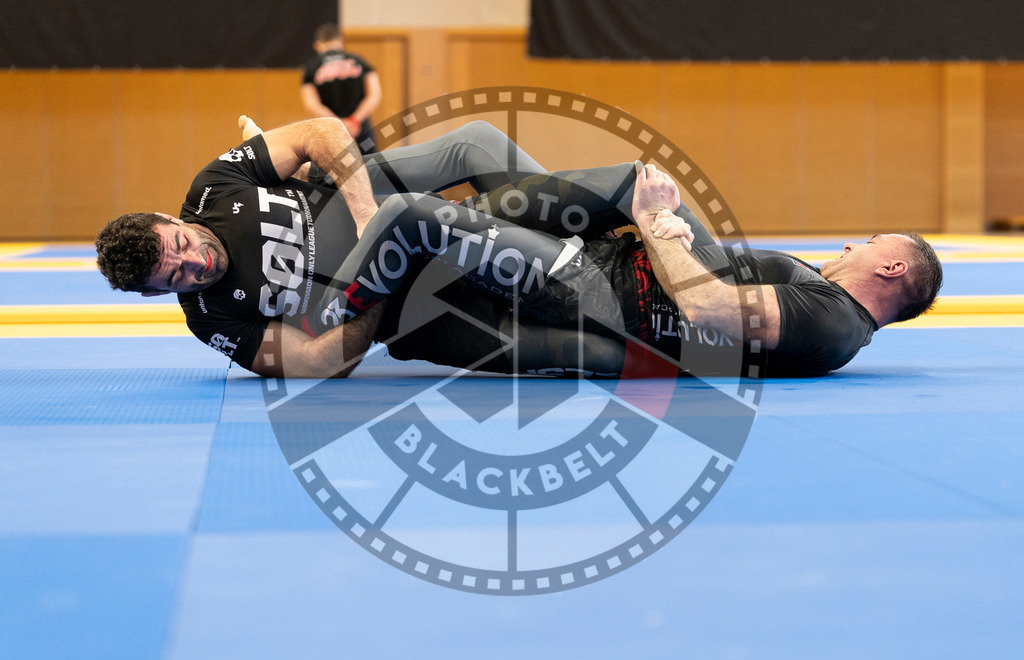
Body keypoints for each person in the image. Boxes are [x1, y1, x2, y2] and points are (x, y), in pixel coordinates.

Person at [95, 117, 942, 380]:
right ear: (162, 293)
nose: (192, 264)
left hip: (371, 204)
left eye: (181, 247)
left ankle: (521, 238)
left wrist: (361, 208)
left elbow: (320, 133)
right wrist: (369, 299)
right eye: (175, 277)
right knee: (575, 327)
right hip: (399, 299)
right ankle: (513, 246)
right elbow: (315, 358)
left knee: (466, 157)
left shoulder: (216, 188)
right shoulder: (212, 317)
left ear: (173, 218)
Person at [301, 23, 382, 153]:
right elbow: (374, 94)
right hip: (361, 129)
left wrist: (340, 125)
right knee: (369, 164)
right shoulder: (360, 61)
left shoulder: (311, 68)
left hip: (330, 132)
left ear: (317, 45)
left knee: (334, 165)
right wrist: (354, 121)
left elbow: (311, 104)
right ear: (340, 41)